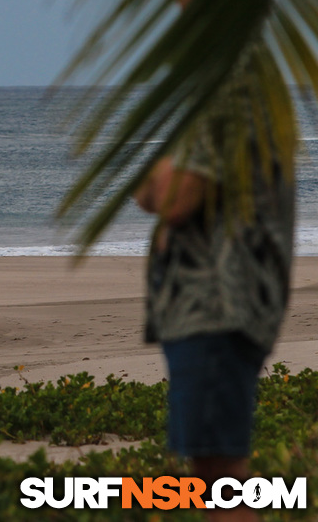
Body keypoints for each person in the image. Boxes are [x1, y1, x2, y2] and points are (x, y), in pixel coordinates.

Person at [134, 118, 294, 520]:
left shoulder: (225, 104)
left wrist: (158, 175)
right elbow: (151, 192)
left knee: (220, 482)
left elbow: (171, 198)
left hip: (215, 311)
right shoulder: (235, 104)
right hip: (215, 312)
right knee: (216, 479)